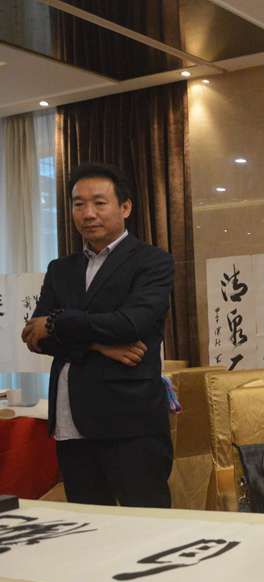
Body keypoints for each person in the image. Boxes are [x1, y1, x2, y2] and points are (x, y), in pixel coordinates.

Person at [21, 162, 175, 508]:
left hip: (131, 424)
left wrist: (57, 322)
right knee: (87, 525)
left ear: (125, 207)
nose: (88, 213)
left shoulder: (152, 261)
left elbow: (131, 324)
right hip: (70, 421)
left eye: (99, 203)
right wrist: (98, 344)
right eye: (79, 204)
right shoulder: (60, 269)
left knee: (147, 524)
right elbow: (35, 336)